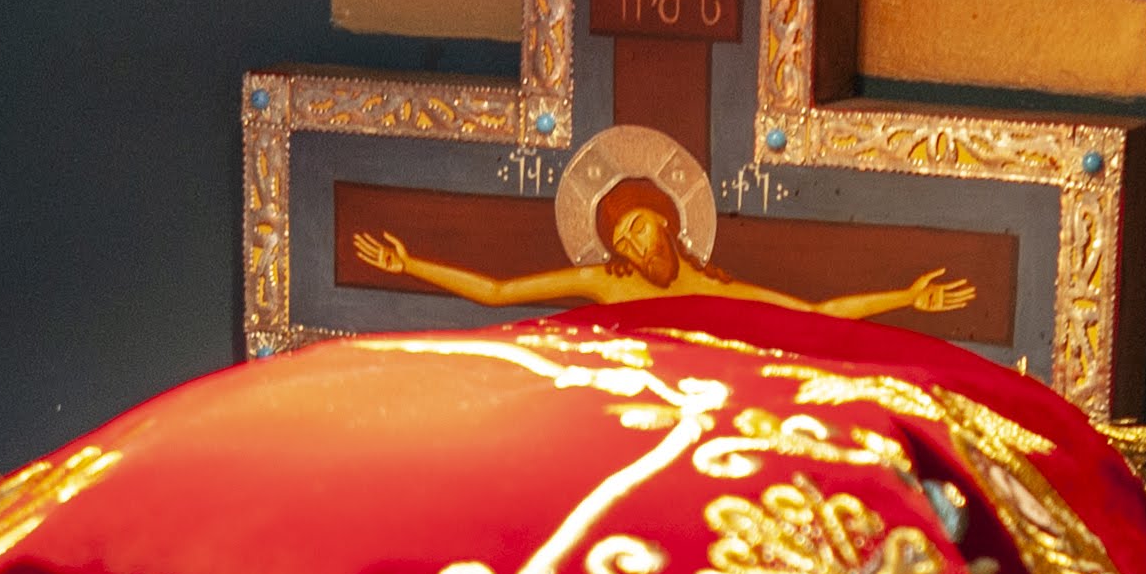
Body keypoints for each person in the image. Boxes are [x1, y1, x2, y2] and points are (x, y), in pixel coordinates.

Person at [355, 184, 972, 321]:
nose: (632, 244)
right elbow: (499, 292)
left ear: (667, 224)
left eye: (639, 229)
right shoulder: (607, 283)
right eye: (622, 241)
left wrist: (907, 298)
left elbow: (815, 315)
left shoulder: (718, 290)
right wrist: (409, 265)